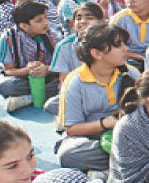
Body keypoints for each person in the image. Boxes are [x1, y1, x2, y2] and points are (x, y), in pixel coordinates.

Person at [56, 24, 139, 173]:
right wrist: (105, 123)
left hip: (126, 135)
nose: (125, 49)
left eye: (124, 44)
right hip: (91, 138)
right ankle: (120, 167)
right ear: (97, 53)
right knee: (68, 156)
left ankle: (106, 171)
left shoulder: (132, 74)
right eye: (118, 45)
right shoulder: (75, 81)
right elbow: (72, 128)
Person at [0, 1, 60, 112]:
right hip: (22, 77)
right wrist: (28, 70)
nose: (46, 23)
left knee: (66, 81)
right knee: (5, 86)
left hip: (48, 76)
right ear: (24, 26)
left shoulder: (52, 35)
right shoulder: (8, 38)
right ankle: (40, 95)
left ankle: (27, 99)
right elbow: (8, 70)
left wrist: (46, 69)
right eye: (39, 21)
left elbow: (62, 66)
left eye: (45, 18)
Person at [50, 2, 105, 84]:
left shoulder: (109, 43)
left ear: (101, 22)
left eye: (89, 18)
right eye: (78, 19)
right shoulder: (64, 46)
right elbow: (64, 80)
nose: (83, 21)